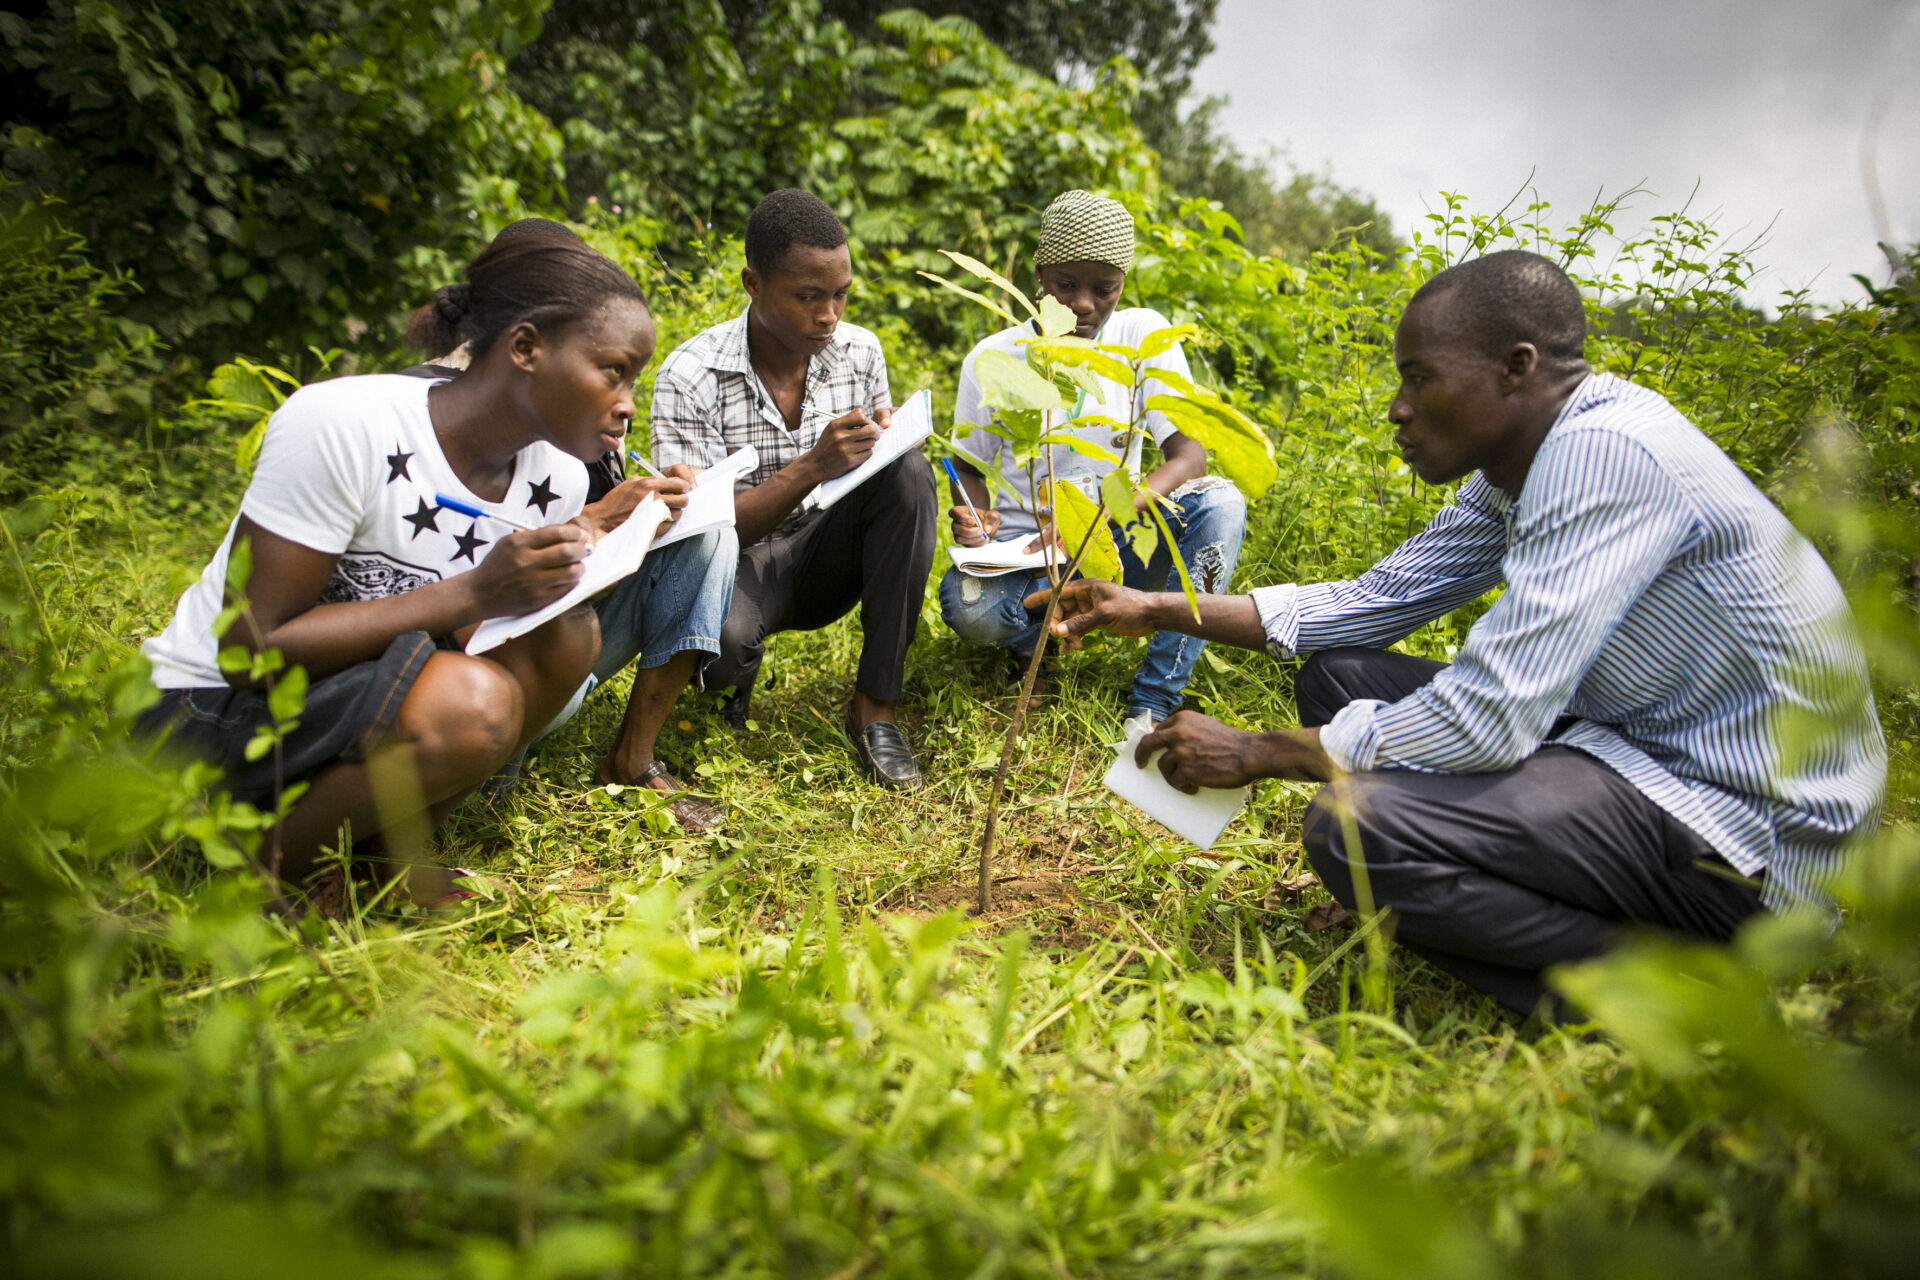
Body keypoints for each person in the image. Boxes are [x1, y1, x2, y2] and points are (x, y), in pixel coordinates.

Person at [1034, 249, 1888, 1018]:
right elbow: (1375, 599)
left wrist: (1260, 749)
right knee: (1338, 679)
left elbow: (1490, 717)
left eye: (1421, 378)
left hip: (1743, 833)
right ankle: (1484, 898)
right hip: (1629, 746)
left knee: (1355, 825)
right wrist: (1151, 609)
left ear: (1517, 368)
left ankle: (1677, 987)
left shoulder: (1605, 456)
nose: (1400, 409)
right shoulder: (1519, 464)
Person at [136, 234, 689, 906]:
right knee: (469, 703)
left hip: (350, 701)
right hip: (211, 714)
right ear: (524, 348)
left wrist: (595, 536)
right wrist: (476, 591)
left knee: (567, 635)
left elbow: (480, 631)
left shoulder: (558, 477)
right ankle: (272, 872)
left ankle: (382, 859)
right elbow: (250, 648)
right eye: (613, 370)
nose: (629, 402)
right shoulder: (345, 423)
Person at [404, 219, 736, 830]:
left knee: (708, 537)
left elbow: (574, 533)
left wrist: (637, 510)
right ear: (525, 337)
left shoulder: (577, 393)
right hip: (460, 667)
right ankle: (483, 766)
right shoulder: (418, 413)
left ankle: (632, 758)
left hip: (560, 636)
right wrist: (594, 522)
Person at [649, 188, 937, 791]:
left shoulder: (858, 351)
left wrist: (887, 448)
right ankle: (728, 684)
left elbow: (884, 475)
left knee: (908, 474)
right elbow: (698, 534)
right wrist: (811, 466)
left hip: (827, 555)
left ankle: (875, 706)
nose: (828, 315)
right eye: (808, 297)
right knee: (722, 647)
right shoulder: (690, 375)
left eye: (840, 295)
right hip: (734, 564)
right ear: (753, 283)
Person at [941, 189, 1246, 724]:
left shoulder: (1141, 336)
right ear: (1040, 274)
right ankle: (1038, 642)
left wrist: (1104, 512)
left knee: (1221, 503)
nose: (1085, 304)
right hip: (1028, 557)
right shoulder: (992, 358)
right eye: (1066, 286)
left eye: (1104, 289)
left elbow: (1189, 456)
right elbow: (968, 464)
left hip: (1118, 542)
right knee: (972, 610)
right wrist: (977, 516)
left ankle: (1154, 700)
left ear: (1123, 283)